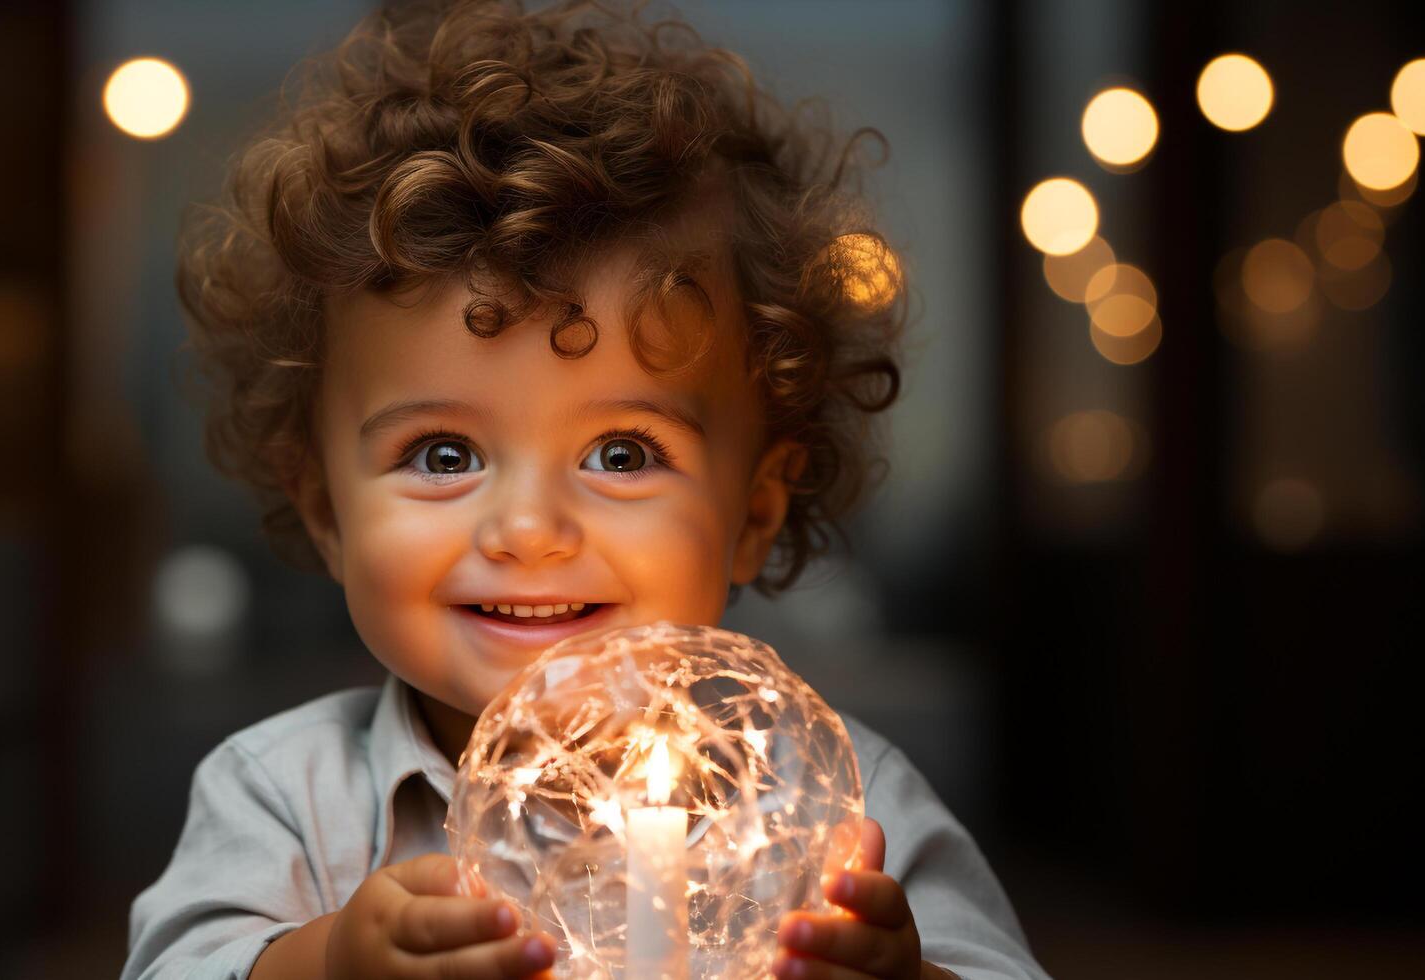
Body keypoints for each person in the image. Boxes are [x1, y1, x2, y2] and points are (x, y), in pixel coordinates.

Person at [125, 1, 1048, 977]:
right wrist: (321, 965)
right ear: (325, 514)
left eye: (619, 453)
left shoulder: (839, 808)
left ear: (753, 514)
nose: (528, 529)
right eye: (442, 455)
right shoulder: (283, 797)